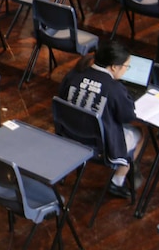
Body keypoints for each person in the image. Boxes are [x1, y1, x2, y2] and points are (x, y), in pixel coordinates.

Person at [58, 39, 146, 198]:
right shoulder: (115, 88)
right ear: (114, 67)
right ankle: (118, 180)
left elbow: (61, 98)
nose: (126, 71)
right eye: (126, 67)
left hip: (68, 133)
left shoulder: (75, 73)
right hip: (98, 145)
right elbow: (127, 117)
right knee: (139, 133)